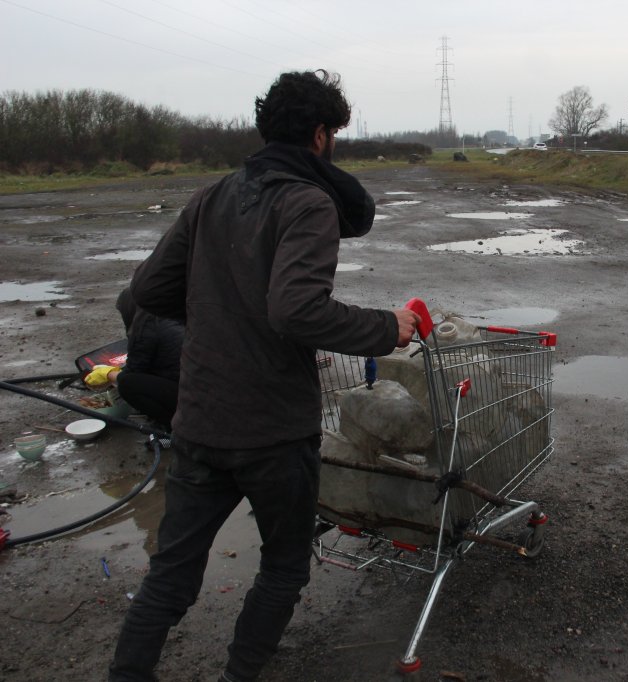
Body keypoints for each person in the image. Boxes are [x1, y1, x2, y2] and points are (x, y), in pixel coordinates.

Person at [108, 70, 420, 681]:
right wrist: (390, 326)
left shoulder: (213, 196)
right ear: (321, 134)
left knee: (170, 577)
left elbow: (147, 290)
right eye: (332, 133)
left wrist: (220, 318)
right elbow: (297, 309)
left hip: (199, 420)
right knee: (282, 567)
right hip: (273, 430)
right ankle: (240, 674)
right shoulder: (309, 201)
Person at [84, 287, 184, 430]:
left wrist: (107, 373)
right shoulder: (168, 317)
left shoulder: (146, 326)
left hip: (189, 398)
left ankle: (172, 426)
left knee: (127, 384)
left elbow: (131, 374)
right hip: (206, 391)